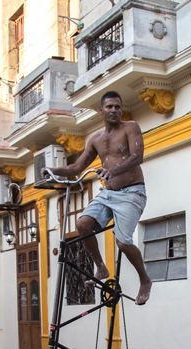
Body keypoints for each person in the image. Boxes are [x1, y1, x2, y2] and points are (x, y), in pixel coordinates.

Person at [42, 91, 152, 305]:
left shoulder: (130, 127)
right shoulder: (96, 140)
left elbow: (138, 156)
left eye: (117, 106)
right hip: (108, 194)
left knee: (122, 242)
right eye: (109, 106)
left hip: (131, 192)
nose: (114, 110)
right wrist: (52, 170)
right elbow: (76, 167)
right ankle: (100, 266)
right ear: (101, 110)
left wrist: (115, 170)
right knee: (82, 224)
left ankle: (145, 279)